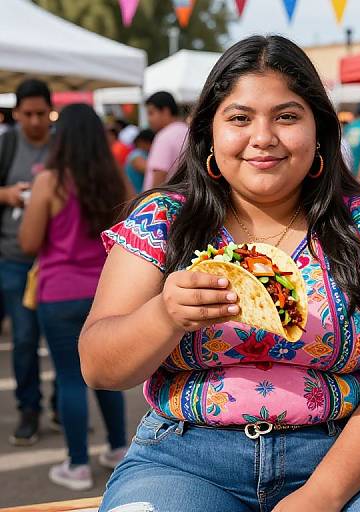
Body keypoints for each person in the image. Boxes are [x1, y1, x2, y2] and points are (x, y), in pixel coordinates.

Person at [79, 35, 360, 512]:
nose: (263, 137)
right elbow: (99, 367)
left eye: (287, 116)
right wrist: (165, 314)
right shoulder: (163, 220)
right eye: (239, 118)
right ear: (209, 131)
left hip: (346, 454)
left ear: (320, 131)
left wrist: (322, 494)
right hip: (183, 458)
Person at [19, 104, 129, 491]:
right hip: (108, 290)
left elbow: (29, 241)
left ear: (60, 136)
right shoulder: (115, 178)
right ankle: (118, 449)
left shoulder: (50, 181)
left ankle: (77, 465)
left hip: (60, 294)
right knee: (108, 376)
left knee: (69, 378)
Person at [0, 79, 54, 445]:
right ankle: (28, 408)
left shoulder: (63, 147)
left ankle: (62, 405)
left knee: (63, 340)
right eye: (27, 114)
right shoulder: (6, 143)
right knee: (23, 339)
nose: (35, 121)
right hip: (14, 259)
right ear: (16, 113)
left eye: (41, 114)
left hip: (55, 261)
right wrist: (6, 194)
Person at [143, 91, 188, 190]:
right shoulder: (188, 131)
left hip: (162, 201)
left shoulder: (165, 136)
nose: (149, 119)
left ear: (165, 111)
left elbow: (159, 175)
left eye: (151, 113)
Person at [124, 129, 154, 194]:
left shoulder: (145, 154)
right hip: (137, 195)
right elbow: (150, 171)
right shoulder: (136, 155)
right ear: (141, 142)